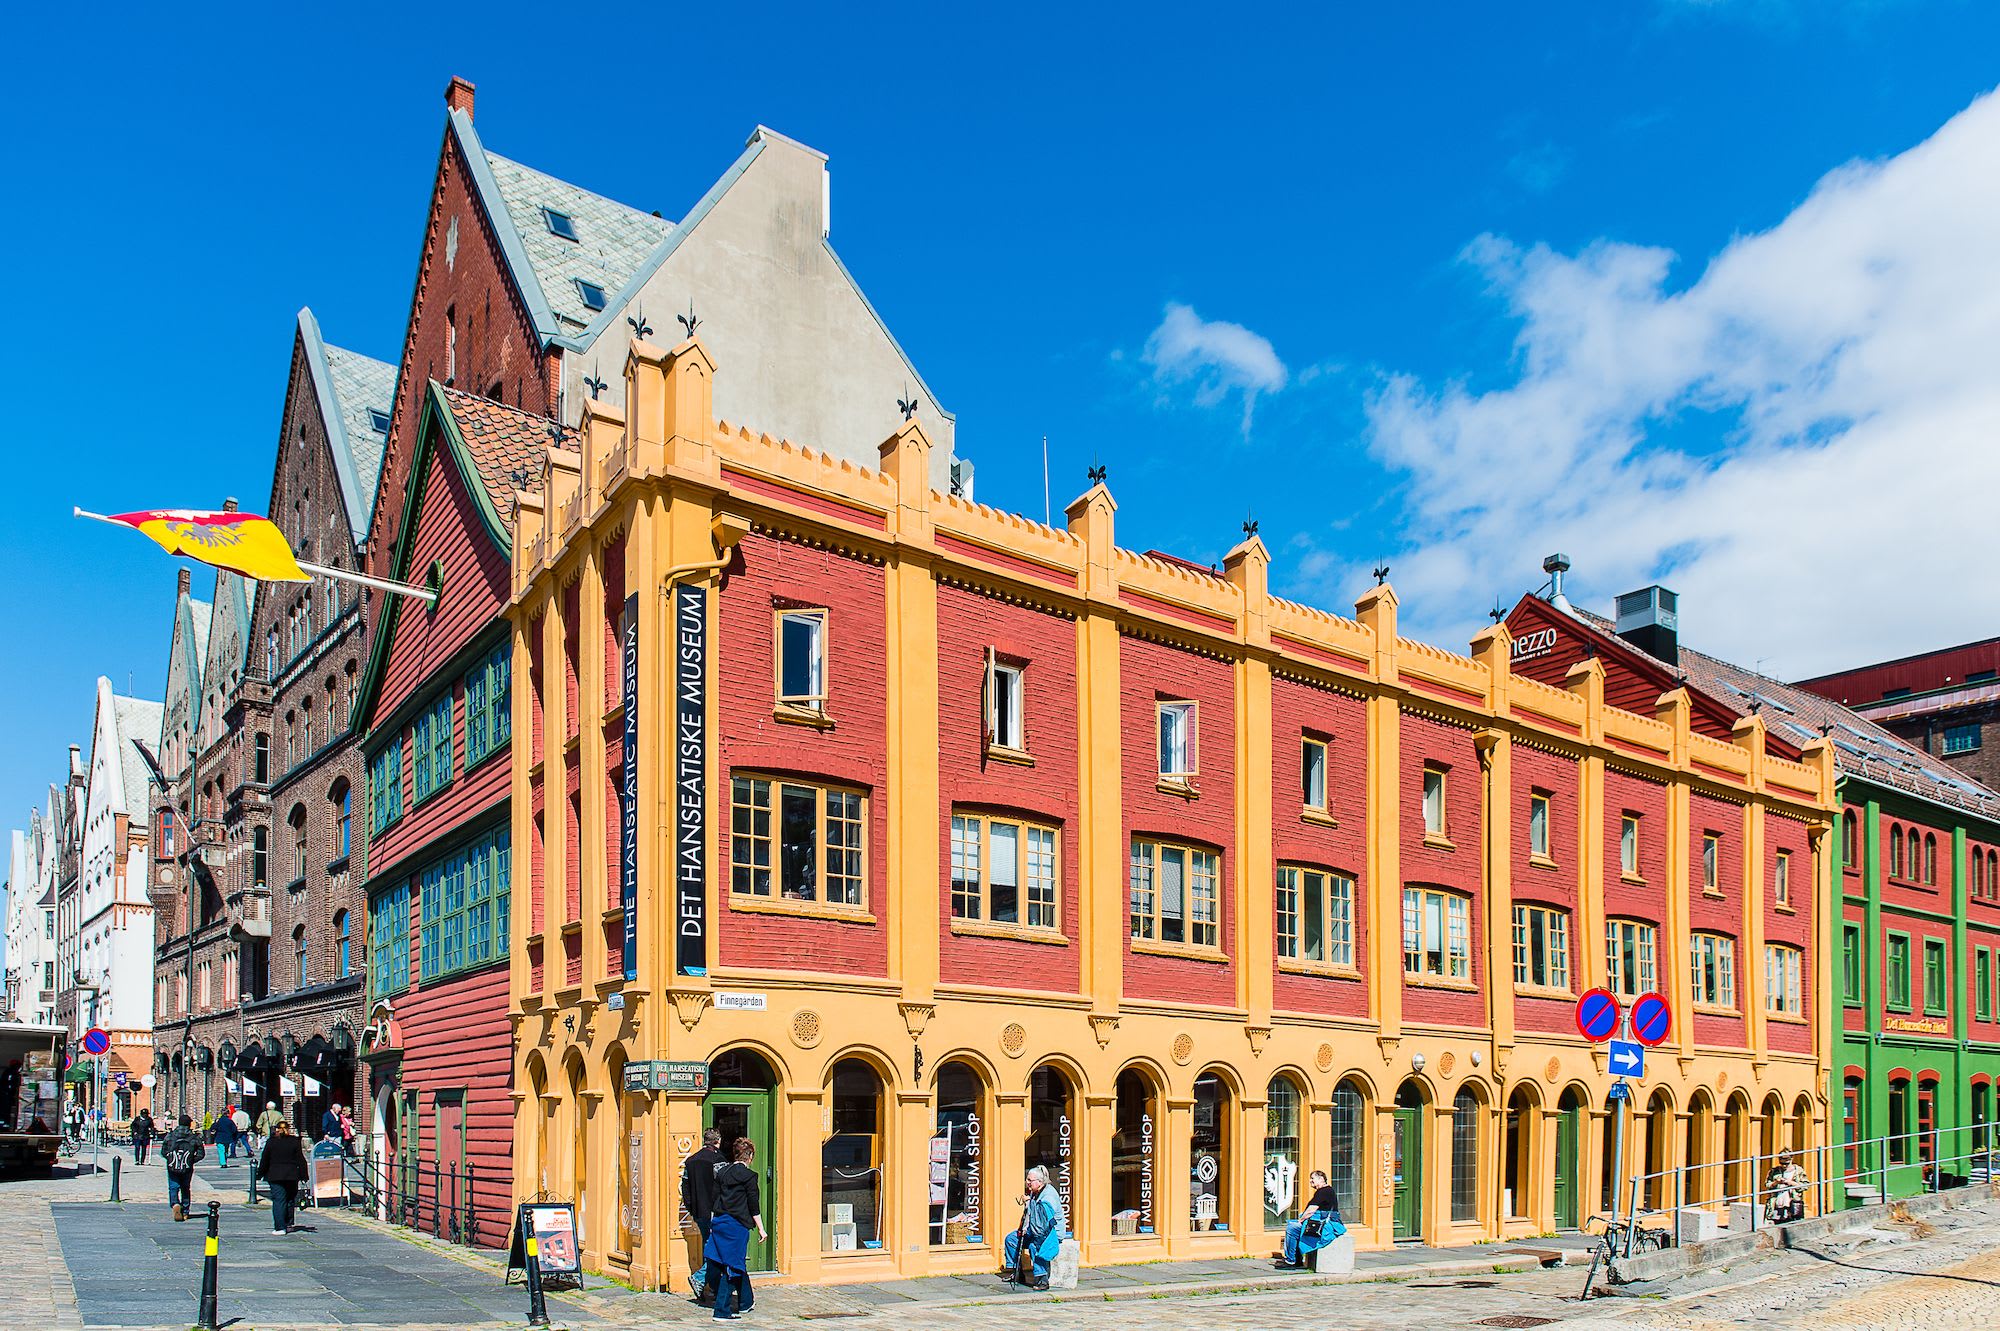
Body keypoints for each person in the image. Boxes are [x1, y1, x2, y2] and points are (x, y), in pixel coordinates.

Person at [702, 1138, 765, 1321]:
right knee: (733, 1267)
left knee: (718, 1261)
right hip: (736, 1226)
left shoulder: (722, 1173)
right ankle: (722, 1310)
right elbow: (754, 1205)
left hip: (720, 1222)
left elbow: (714, 1199)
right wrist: (761, 1229)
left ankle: (746, 1302)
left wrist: (713, 1224)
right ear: (750, 1156)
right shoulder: (750, 1177)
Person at [1002, 1166, 1067, 1290]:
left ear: (1040, 1182)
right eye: (1027, 1180)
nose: (1027, 1183)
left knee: (1034, 1245)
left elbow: (1042, 1223)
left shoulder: (1049, 1196)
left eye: (1030, 1180)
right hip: (1035, 1229)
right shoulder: (1035, 1192)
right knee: (1011, 1239)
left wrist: (1029, 1202)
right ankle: (1016, 1272)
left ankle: (1042, 1279)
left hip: (1050, 1233)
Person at [682, 1128, 725, 1305]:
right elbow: (724, 1185)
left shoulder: (691, 1161)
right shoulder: (718, 1160)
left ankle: (713, 1288)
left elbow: (685, 1188)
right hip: (715, 1212)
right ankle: (699, 1278)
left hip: (699, 1212)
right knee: (717, 1250)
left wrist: (692, 1208)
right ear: (718, 1141)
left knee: (710, 1247)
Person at [1276, 1170, 1346, 1269]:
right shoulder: (1326, 1191)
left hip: (1324, 1226)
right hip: (1323, 1223)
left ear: (1321, 1179)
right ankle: (1296, 1259)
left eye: (1312, 1178)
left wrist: (1300, 1220)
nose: (1310, 1181)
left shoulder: (1324, 1191)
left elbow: (1311, 1210)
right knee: (1294, 1226)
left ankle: (1291, 1260)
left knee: (1292, 1228)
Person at [258, 1119, 310, 1235]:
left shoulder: (271, 1142)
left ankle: (280, 1227)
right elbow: (300, 1159)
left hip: (275, 1175)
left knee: (279, 1200)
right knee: (290, 1199)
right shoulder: (294, 1141)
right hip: (291, 1175)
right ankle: (289, 1223)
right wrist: (304, 1175)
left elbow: (265, 1159)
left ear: (277, 1129)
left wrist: (260, 1173)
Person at [161, 1113, 204, 1222]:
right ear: (189, 1124)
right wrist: (191, 1160)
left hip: (173, 1166)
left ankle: (175, 1203)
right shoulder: (194, 1137)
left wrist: (170, 1158)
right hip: (187, 1166)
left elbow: (164, 1151)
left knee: (173, 1187)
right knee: (185, 1188)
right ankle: (185, 1210)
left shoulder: (171, 1135)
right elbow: (201, 1153)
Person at [1764, 1151, 1809, 1225]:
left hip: (1792, 1202)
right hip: (1777, 1203)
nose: (1784, 1166)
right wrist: (1776, 1182)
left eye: (1786, 1164)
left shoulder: (1798, 1171)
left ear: (1791, 1159)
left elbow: (1805, 1186)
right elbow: (1767, 1185)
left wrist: (1790, 1183)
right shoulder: (1774, 1171)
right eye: (1782, 1163)